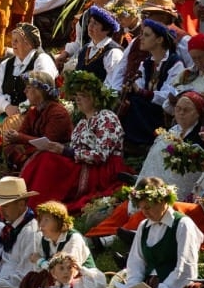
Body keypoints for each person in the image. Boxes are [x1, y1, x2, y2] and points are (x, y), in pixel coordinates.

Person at [20, 70, 127, 211]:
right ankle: (26, 200)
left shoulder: (107, 117)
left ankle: (37, 204)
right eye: (76, 96)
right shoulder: (82, 123)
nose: (77, 100)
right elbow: (73, 150)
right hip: (82, 163)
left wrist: (64, 151)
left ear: (94, 97)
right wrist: (59, 149)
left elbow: (100, 155)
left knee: (48, 160)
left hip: (102, 168)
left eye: (82, 96)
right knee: (43, 156)